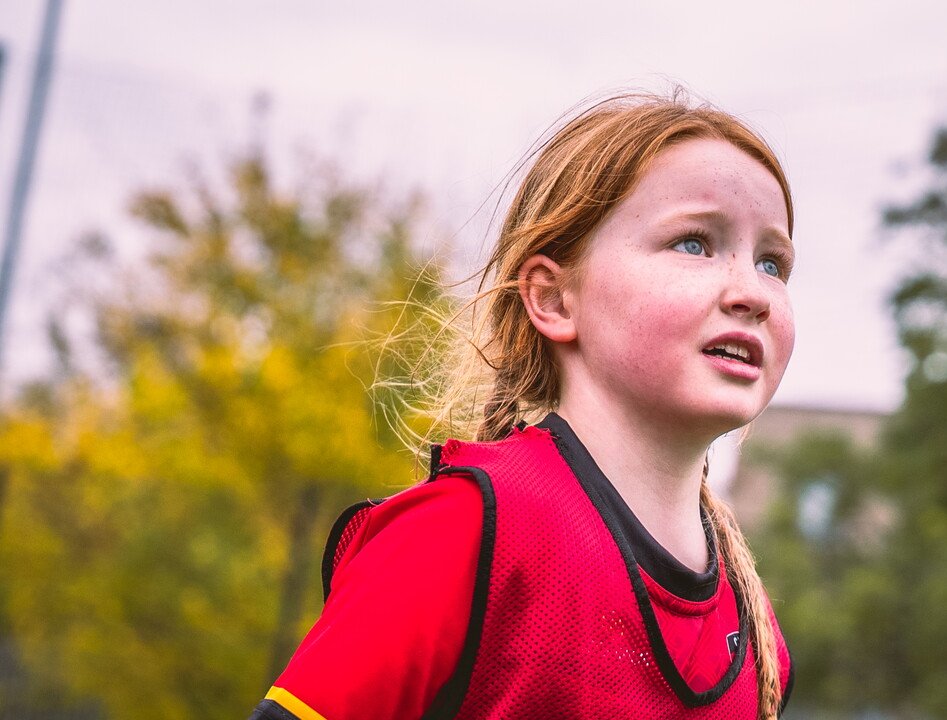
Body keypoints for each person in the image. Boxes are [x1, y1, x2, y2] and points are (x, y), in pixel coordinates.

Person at [248, 91, 797, 720]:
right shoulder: (460, 531)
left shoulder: (756, 638)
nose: (752, 291)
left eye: (772, 262)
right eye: (695, 244)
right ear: (555, 299)